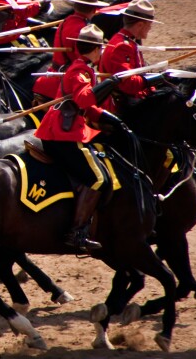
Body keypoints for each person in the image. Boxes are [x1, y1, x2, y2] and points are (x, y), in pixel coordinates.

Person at [34, 24, 123, 252]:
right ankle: (78, 232)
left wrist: (109, 119)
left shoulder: (83, 69)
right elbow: (85, 99)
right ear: (96, 49)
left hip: (65, 130)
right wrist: (108, 84)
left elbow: (88, 107)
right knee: (98, 179)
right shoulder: (79, 71)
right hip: (62, 135)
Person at [32, 0, 108, 104]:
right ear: (94, 9)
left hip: (53, 76)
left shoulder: (66, 21)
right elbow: (86, 58)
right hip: (67, 83)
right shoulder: (82, 30)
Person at [99, 0, 160, 112]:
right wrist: (154, 79)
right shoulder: (122, 46)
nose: (150, 28)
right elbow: (128, 84)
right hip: (122, 105)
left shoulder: (125, 41)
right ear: (140, 25)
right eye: (149, 24)